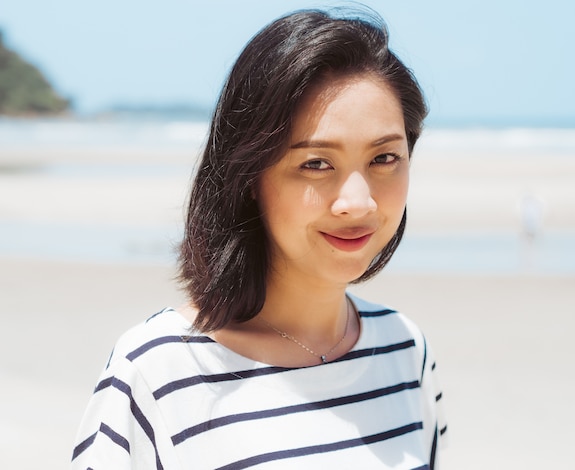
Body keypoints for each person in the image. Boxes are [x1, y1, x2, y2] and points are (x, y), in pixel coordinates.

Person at [71, 8, 447, 469]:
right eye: (316, 163)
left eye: (385, 157)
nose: (358, 201)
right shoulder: (158, 371)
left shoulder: (406, 351)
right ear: (249, 176)